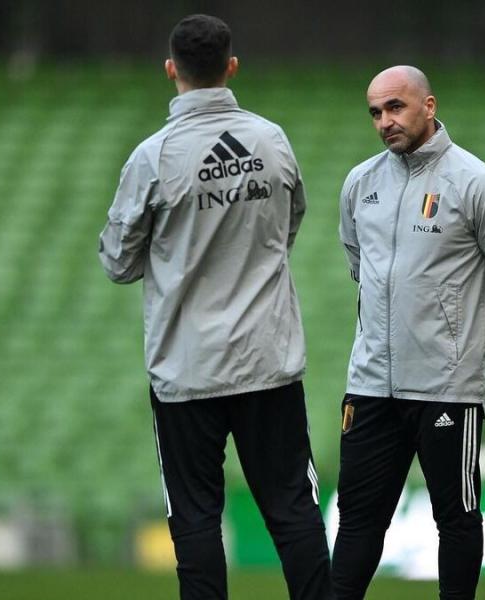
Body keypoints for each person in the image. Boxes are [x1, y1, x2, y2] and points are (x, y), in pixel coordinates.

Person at [98, 14, 332, 600]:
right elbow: (290, 222)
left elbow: (118, 262)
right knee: (291, 508)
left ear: (170, 68)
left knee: (196, 517)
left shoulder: (152, 158)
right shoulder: (270, 139)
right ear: (232, 66)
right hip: (267, 359)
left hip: (186, 368)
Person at [333, 65, 485, 600]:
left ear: (429, 105)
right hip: (371, 385)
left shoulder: (478, 184)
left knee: (457, 520)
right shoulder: (360, 184)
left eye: (395, 107)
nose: (384, 121)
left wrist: (467, 343)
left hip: (447, 387)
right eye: (375, 112)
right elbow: (361, 267)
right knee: (356, 521)